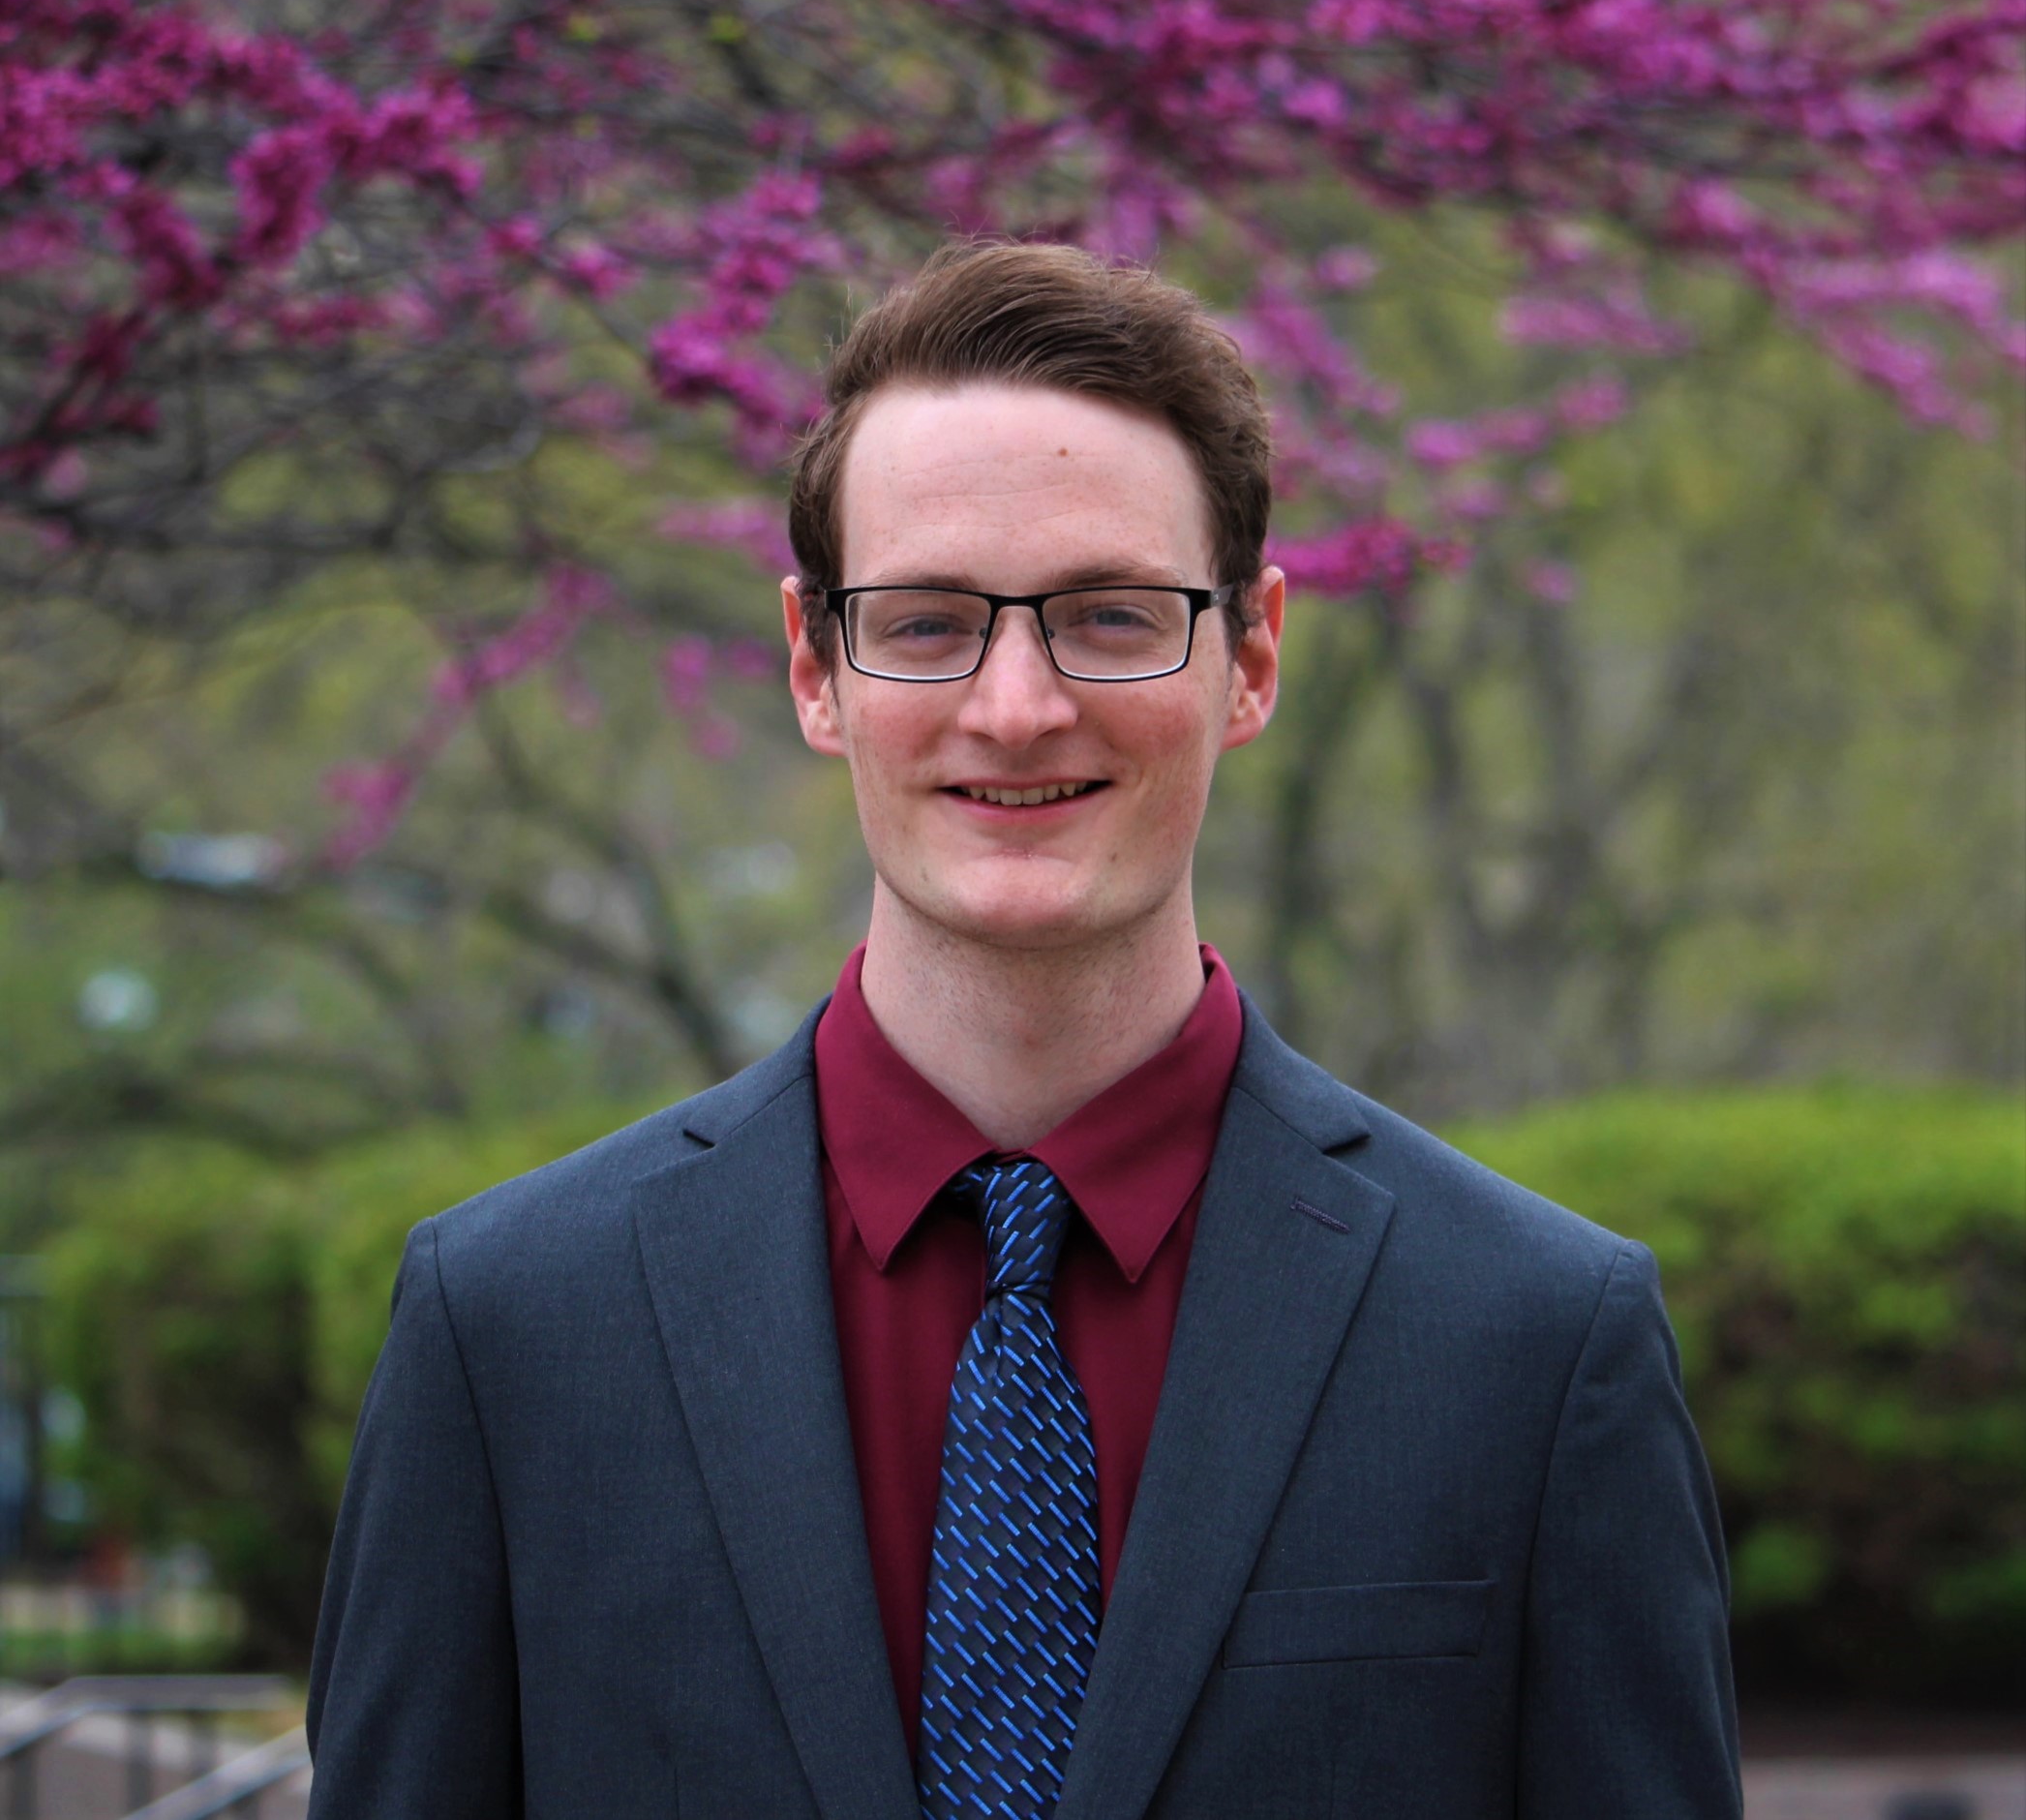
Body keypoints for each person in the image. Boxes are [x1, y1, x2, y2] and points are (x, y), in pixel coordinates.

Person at [306, 241, 1740, 1818]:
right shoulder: (509, 1332)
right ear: (815, 666)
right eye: (925, 622)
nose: (1013, 707)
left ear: (1250, 656)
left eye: (1109, 616)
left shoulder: (1533, 1340)